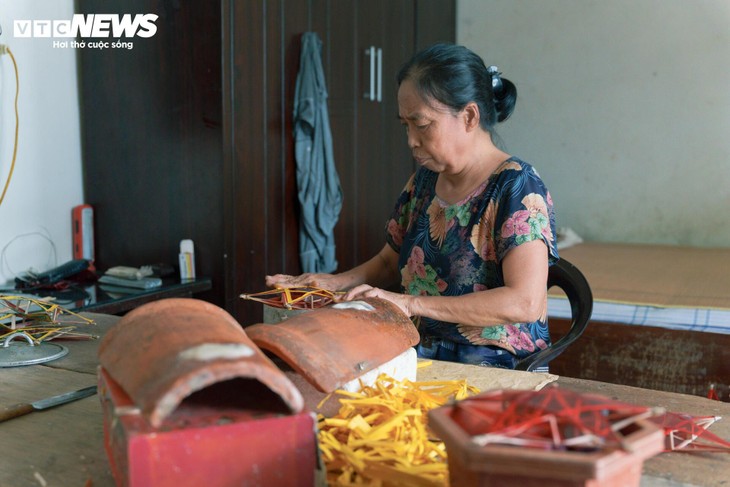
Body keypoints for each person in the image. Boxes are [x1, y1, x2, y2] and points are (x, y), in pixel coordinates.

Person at [266, 43, 559, 369]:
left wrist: (410, 304)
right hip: (418, 347)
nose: (411, 140)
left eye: (422, 124)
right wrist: (332, 283)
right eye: (406, 125)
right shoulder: (424, 181)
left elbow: (524, 302)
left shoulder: (516, 186)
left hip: (496, 359)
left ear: (469, 116)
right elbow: (388, 262)